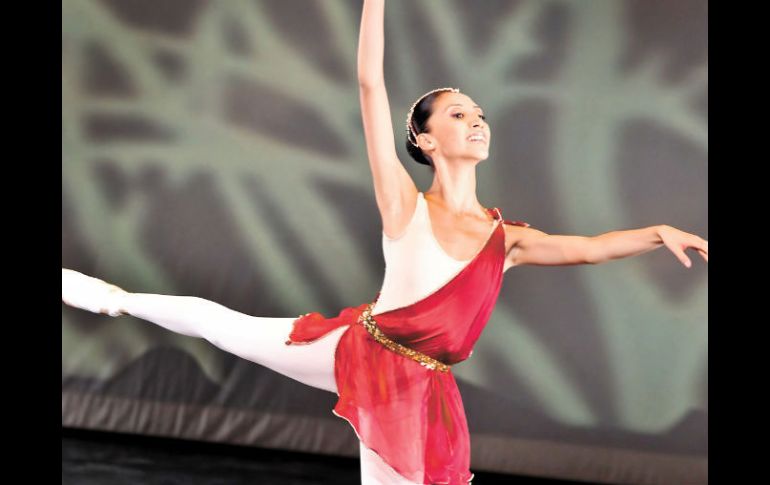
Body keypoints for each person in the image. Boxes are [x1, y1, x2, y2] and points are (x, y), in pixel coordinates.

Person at [62, 1, 708, 483]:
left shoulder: (505, 239)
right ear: (424, 140)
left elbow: (591, 247)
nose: (477, 120)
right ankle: (111, 298)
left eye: (480, 114)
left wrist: (657, 232)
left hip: (423, 383)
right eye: (458, 113)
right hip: (361, 350)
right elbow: (371, 84)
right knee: (222, 324)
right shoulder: (404, 202)